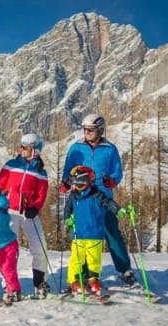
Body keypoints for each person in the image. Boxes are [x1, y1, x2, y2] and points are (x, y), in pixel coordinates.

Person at [61, 114, 137, 286]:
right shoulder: (76, 148)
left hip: (102, 198)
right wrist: (65, 182)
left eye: (90, 130)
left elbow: (117, 172)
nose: (86, 132)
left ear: (100, 130)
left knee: (112, 233)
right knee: (84, 237)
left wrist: (112, 180)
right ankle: (85, 274)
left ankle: (125, 269)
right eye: (84, 129)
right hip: (82, 198)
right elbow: (67, 171)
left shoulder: (110, 149)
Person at [0, 133, 51, 297]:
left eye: (25, 147)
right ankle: (9, 286)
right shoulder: (11, 165)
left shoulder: (40, 172)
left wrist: (35, 207)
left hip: (28, 214)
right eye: (21, 146)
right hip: (9, 212)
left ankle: (40, 282)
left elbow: (41, 194)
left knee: (39, 246)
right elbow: (0, 186)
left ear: (34, 150)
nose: (21, 150)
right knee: (9, 250)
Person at [63, 165, 127, 296]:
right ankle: (74, 281)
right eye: (73, 181)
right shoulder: (74, 196)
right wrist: (67, 219)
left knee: (94, 260)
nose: (74, 184)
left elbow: (109, 203)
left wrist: (119, 210)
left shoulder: (97, 195)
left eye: (76, 181)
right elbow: (67, 210)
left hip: (95, 234)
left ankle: (93, 280)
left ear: (85, 181)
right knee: (76, 259)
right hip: (79, 234)